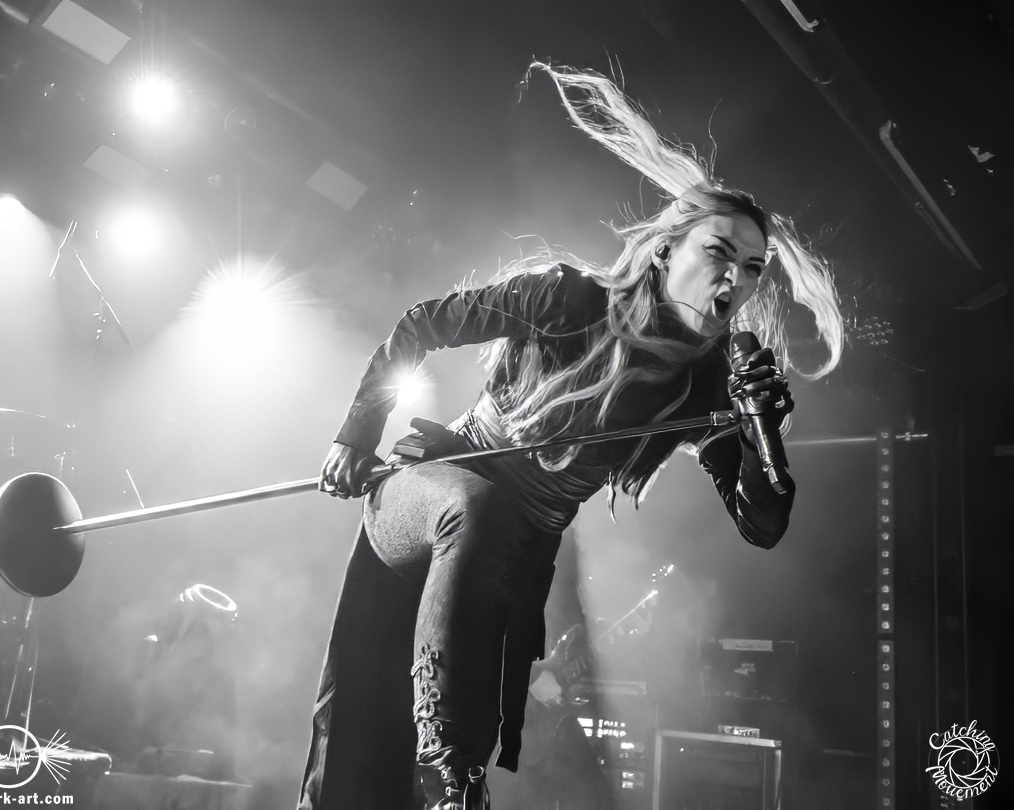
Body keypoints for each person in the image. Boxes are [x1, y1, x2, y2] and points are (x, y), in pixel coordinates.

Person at [298, 62, 843, 810]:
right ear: (666, 250)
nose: (736, 279)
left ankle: (441, 781)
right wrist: (356, 435)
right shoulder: (568, 299)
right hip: (422, 503)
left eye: (752, 268)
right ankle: (453, 779)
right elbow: (423, 324)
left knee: (383, 766)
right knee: (362, 721)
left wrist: (760, 433)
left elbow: (763, 524)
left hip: (503, 557)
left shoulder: (705, 386)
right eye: (719, 252)